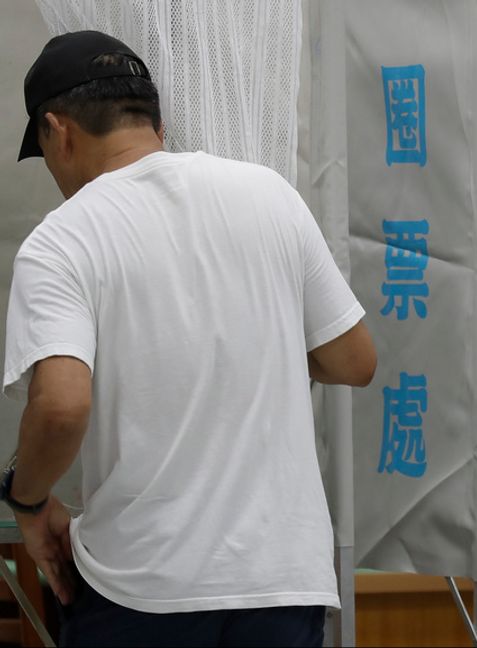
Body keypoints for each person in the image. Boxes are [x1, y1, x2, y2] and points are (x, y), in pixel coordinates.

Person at [0, 31, 376, 647]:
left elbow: (63, 405)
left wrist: (29, 500)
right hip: (281, 580)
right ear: (155, 123)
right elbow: (353, 359)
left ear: (57, 131)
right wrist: (247, 341)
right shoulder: (270, 195)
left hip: (142, 587)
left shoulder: (63, 239)